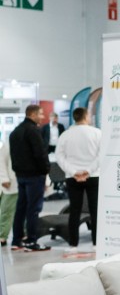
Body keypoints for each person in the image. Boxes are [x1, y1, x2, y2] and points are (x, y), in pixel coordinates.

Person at [54, 107, 102, 250]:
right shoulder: (97, 133)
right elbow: (102, 155)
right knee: (95, 210)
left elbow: (59, 156)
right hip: (93, 176)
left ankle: (73, 244)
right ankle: (96, 244)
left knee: (74, 210)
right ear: (86, 116)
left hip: (72, 177)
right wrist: (88, 171)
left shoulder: (65, 135)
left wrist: (74, 172)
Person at [9, 104, 50, 252]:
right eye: (41, 114)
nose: (43, 117)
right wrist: (46, 170)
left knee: (21, 208)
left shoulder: (15, 131)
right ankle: (32, 241)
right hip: (34, 176)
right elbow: (40, 154)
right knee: (33, 209)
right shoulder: (33, 131)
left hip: (21, 176)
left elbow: (13, 155)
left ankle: (17, 240)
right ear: (32, 114)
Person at [0, 138, 16, 246]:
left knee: (24, 212)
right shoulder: (9, 144)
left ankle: (23, 234)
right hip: (10, 184)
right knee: (6, 210)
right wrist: (4, 179)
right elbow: (1, 161)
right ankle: (2, 235)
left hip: (24, 182)